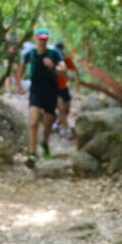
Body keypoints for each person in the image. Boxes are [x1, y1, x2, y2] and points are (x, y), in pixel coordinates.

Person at [16, 27, 65, 168]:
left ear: (47, 39)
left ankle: (44, 142)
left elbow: (63, 70)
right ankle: (32, 154)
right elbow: (21, 68)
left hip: (51, 91)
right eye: (40, 38)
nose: (42, 41)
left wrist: (54, 66)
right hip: (35, 90)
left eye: (44, 38)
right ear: (35, 38)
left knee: (48, 121)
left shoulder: (54, 53)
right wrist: (19, 85)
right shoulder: (29, 54)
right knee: (33, 122)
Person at [52, 40, 80, 139]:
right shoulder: (52, 59)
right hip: (54, 88)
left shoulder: (66, 58)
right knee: (62, 109)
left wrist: (77, 83)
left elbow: (75, 70)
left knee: (67, 110)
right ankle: (67, 130)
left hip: (64, 87)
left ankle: (55, 124)